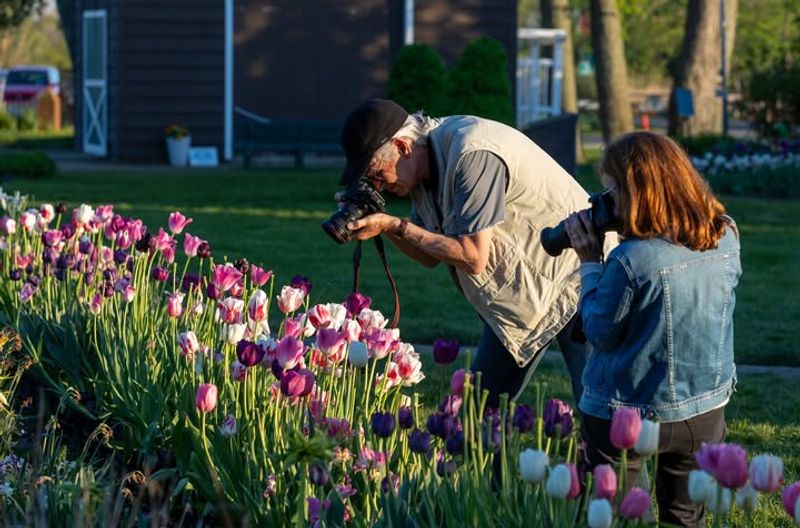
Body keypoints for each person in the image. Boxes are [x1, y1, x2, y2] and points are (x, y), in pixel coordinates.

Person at [337, 98, 614, 406]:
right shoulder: (422, 170)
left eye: (377, 173)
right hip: (523, 296)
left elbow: (472, 257)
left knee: (600, 409)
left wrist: (395, 225)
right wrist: (383, 225)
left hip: (577, 277)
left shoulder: (472, 153)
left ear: (403, 148)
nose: (380, 185)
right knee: (480, 414)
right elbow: (429, 255)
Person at [564, 132, 741, 527]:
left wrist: (591, 260)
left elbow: (599, 331)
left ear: (637, 192)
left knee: (605, 515)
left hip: (625, 413)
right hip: (704, 408)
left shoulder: (631, 259)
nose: (605, 202)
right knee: (684, 517)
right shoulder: (726, 234)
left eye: (611, 192)